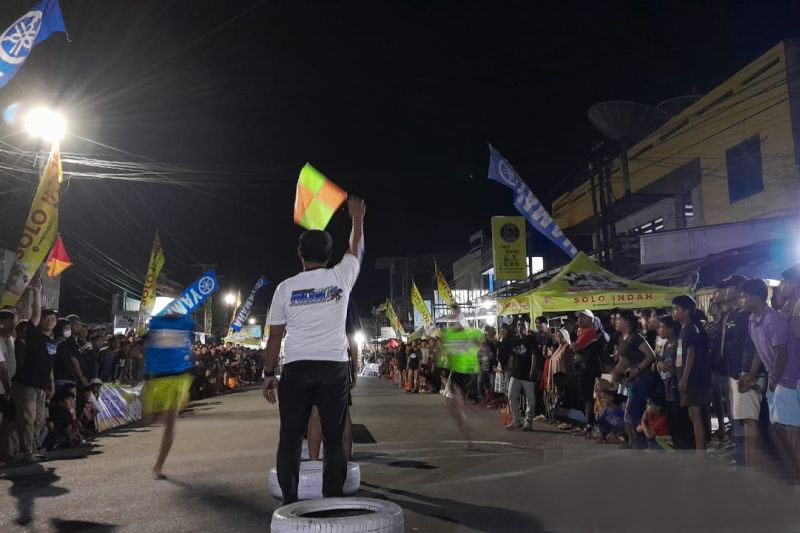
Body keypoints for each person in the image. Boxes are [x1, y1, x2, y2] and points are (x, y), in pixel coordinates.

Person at [263, 196, 365, 504]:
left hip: (295, 368)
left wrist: (269, 374)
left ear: (299, 254)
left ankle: (290, 503)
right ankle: (331, 499)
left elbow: (275, 337)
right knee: (335, 442)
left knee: (290, 439)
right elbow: (355, 250)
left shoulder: (284, 288)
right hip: (333, 368)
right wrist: (357, 219)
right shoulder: (341, 276)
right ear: (329, 254)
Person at [739, 278, 800, 482]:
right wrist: (752, 375)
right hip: (777, 382)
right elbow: (758, 351)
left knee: (790, 433)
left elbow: (781, 352)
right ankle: (792, 478)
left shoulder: (772, 319)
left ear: (756, 297)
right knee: (778, 432)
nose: (741, 301)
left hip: (789, 381)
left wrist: (774, 379)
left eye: (744, 297)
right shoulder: (752, 320)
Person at [142, 313, 196, 480]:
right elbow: (146, 345)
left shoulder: (186, 322)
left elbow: (192, 340)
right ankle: (159, 414)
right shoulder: (155, 322)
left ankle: (158, 466)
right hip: (156, 379)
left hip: (178, 378)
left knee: (170, 423)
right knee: (149, 419)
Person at [11, 278, 55, 465]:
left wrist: (50, 383)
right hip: (25, 384)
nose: (50, 321)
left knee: (39, 419)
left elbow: (49, 365)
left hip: (41, 386)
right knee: (28, 419)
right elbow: (36, 312)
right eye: (47, 318)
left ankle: (33, 447)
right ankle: (26, 451)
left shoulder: (52, 342)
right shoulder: (33, 333)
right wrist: (36, 292)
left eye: (53, 319)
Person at [717, 276, 755, 465]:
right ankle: (741, 458)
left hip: (742, 373)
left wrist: (744, 372)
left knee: (745, 420)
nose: (724, 291)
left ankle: (746, 462)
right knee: (736, 417)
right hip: (730, 371)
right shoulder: (731, 314)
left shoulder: (744, 315)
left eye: (728, 288)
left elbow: (748, 346)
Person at [672, 295, 711, 454]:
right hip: (689, 379)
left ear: (686, 311)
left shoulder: (689, 328)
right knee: (692, 415)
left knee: (696, 416)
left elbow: (691, 353)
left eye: (676, 309)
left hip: (693, 380)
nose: (673, 312)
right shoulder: (684, 328)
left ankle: (700, 453)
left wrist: (684, 378)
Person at [613, 309, 657, 448]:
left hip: (643, 378)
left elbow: (651, 355)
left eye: (618, 319)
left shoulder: (636, 337)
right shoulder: (622, 338)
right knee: (628, 411)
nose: (615, 322)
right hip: (630, 380)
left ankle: (642, 441)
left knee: (633, 411)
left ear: (627, 321)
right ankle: (634, 441)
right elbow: (624, 360)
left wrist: (637, 369)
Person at [440, 305, 482, 446]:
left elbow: (478, 344)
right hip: (456, 372)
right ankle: (468, 436)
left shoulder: (470, 333)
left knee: (459, 405)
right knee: (453, 406)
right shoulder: (450, 334)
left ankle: (469, 435)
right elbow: (447, 354)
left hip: (467, 373)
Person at [573, 310, 604, 437]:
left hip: (591, 372)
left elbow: (575, 348)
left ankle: (593, 427)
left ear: (591, 320)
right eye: (579, 317)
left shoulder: (590, 333)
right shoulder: (583, 333)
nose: (579, 320)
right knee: (587, 399)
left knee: (592, 400)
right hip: (584, 371)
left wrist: (576, 351)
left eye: (583, 317)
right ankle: (589, 426)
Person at [507, 319, 538, 432]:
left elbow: (534, 356)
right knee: (511, 395)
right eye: (519, 325)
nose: (521, 327)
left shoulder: (531, 339)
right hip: (515, 373)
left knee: (530, 400)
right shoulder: (514, 339)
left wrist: (532, 370)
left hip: (527, 374)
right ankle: (516, 420)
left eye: (523, 325)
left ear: (527, 326)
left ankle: (528, 421)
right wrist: (509, 370)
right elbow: (512, 356)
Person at [0, 309, 17, 463]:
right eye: (11, 322)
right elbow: (2, 367)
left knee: (9, 421)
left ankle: (6, 452)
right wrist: (8, 388)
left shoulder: (9, 339)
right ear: (2, 323)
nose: (14, 325)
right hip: (2, 390)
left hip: (6, 389)